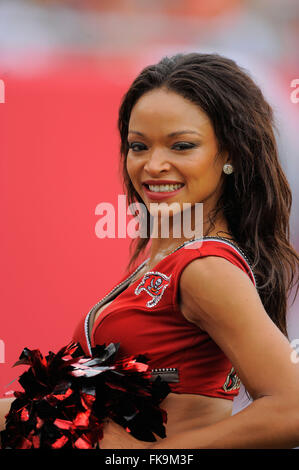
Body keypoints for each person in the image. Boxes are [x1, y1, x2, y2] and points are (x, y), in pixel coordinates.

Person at [1, 52, 299, 449]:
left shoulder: (205, 270)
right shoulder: (172, 261)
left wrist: (156, 457)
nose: (153, 165)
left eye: (181, 146)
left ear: (230, 154)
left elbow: (291, 409)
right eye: (138, 146)